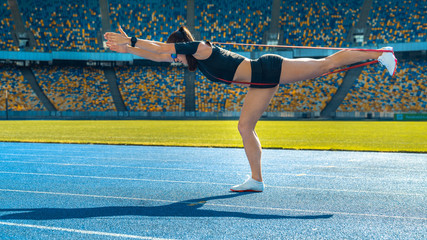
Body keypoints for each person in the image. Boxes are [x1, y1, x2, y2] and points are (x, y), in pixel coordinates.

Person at [104, 26, 397, 192]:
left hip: (268, 68)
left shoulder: (201, 48)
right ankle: (256, 180)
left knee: (326, 64)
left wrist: (132, 40)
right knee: (244, 127)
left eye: (176, 53)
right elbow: (158, 56)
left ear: (182, 46)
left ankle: (382, 53)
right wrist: (129, 50)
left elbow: (159, 49)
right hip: (260, 81)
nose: (175, 59)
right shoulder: (195, 57)